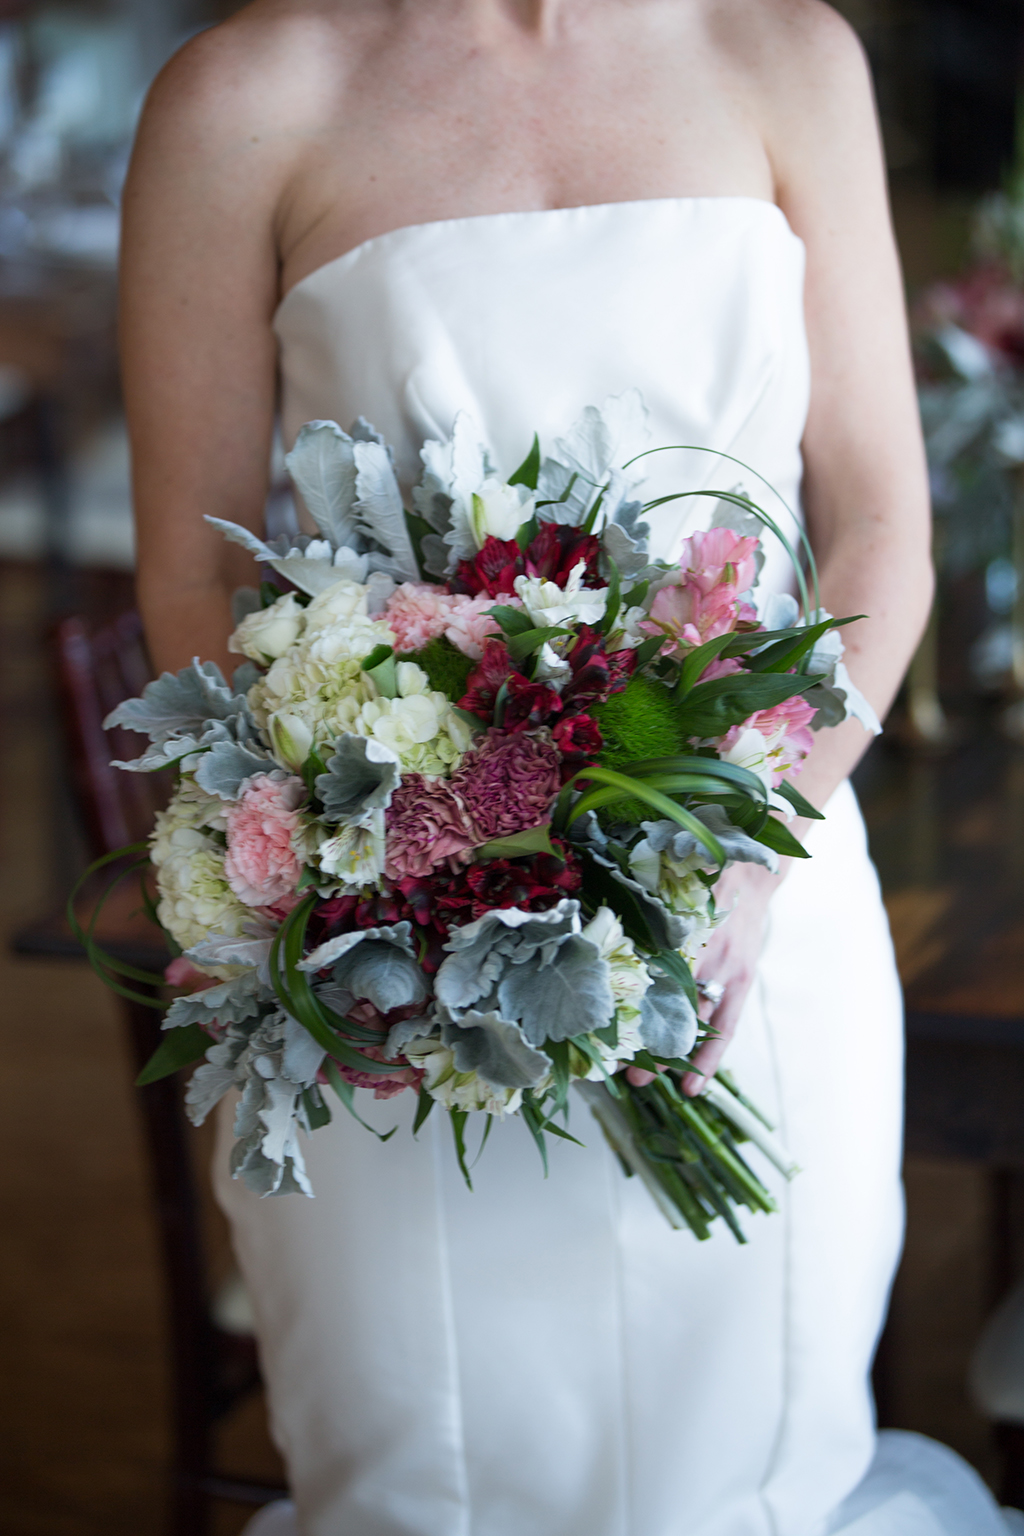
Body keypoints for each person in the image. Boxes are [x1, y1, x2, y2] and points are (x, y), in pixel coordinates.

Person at [118, 1, 1018, 1532]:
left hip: (760, 913)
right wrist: (424, 858)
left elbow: (881, 532)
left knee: (747, 1471)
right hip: (390, 941)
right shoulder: (242, 95)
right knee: (431, 1475)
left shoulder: (785, 54)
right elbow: (188, 580)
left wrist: (740, 845)